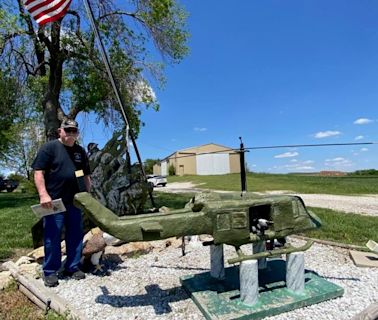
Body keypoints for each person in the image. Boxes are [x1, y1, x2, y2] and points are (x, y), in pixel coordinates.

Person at [32, 119, 91, 287]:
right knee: (52, 236)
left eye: (74, 131)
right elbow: (38, 173)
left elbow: (86, 175)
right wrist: (43, 194)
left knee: (75, 234)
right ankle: (50, 271)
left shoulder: (80, 151)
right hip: (53, 202)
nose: (71, 133)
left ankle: (72, 267)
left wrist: (87, 195)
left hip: (75, 201)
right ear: (60, 131)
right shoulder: (49, 148)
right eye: (68, 130)